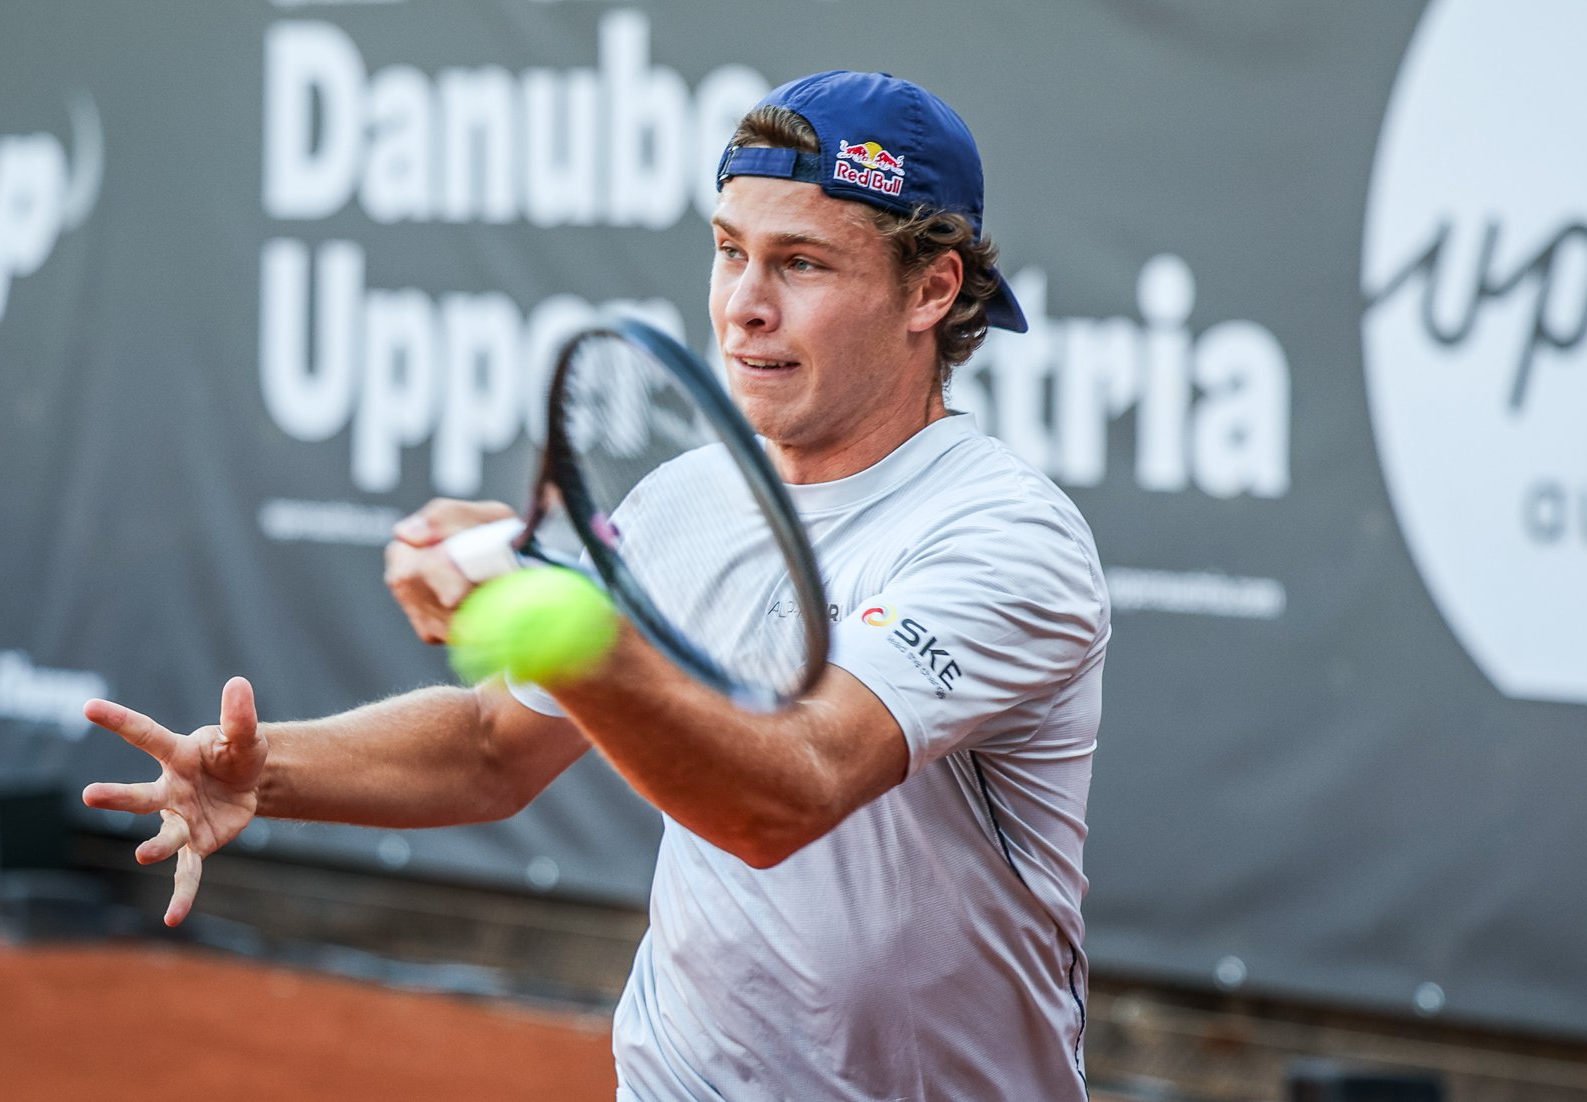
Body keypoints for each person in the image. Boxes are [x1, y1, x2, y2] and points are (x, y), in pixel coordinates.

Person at [82, 70, 1108, 1100]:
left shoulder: (1004, 538)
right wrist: (269, 772)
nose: (744, 307)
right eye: (730, 251)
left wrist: (567, 628)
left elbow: (785, 793)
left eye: (800, 263)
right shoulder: (681, 502)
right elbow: (492, 748)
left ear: (931, 290)